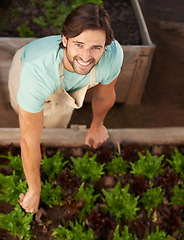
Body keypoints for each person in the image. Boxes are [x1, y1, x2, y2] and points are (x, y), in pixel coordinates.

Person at [8, 3, 123, 213]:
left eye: (96, 47)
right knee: (28, 121)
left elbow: (105, 95)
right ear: (64, 40)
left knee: (54, 125)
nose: (86, 56)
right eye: (78, 44)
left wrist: (97, 125)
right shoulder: (37, 72)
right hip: (27, 68)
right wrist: (34, 189)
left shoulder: (113, 55)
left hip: (62, 86)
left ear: (105, 46)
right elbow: (28, 139)